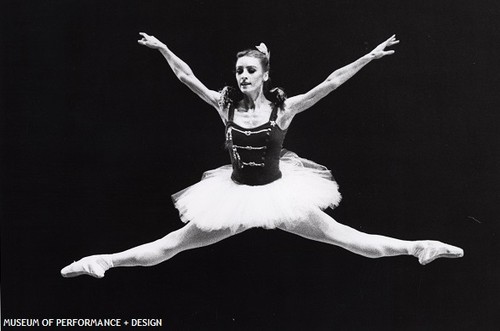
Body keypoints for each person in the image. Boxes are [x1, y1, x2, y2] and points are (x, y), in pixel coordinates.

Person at [61, 33, 463, 279]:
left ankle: (421, 245)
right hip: (233, 198)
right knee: (171, 246)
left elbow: (331, 81)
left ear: (265, 74)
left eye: (250, 70)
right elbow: (187, 78)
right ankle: (102, 261)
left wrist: (368, 57)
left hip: (279, 196)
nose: (243, 76)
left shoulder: (283, 110)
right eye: (239, 70)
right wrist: (165, 48)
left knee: (350, 240)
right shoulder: (225, 106)